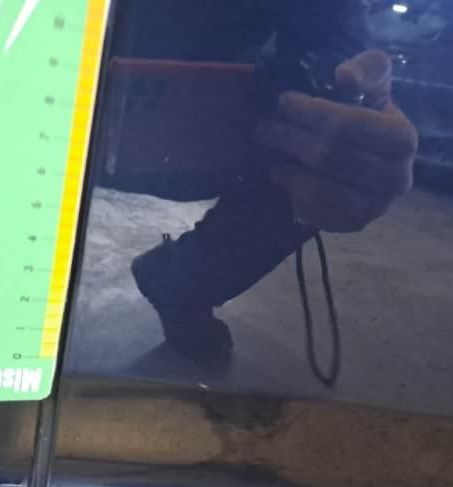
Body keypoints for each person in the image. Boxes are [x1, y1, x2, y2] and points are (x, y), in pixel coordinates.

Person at [112, 0, 418, 362]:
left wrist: (349, 116)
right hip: (80, 104)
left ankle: (181, 284)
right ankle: (182, 285)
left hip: (202, 135)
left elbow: (339, 56)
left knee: (316, 166)